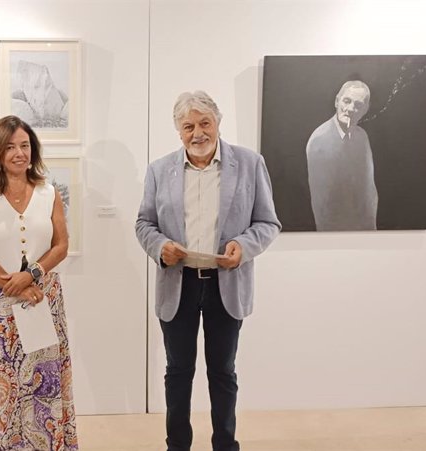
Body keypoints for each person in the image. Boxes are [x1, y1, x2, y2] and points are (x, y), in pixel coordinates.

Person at [136, 91, 281, 451]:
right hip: (178, 284)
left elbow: (268, 222)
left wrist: (243, 248)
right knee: (178, 373)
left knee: (223, 373)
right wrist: (159, 248)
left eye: (204, 123)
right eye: (188, 127)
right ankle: (178, 446)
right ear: (178, 131)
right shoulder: (159, 169)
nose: (197, 133)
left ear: (217, 123)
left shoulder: (249, 163)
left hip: (225, 285)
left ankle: (226, 445)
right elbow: (144, 223)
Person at [0, 115, 78, 450]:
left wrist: (32, 276)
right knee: (1, 381)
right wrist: (10, 283)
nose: (19, 153)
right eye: (10, 146)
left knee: (43, 383)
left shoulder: (48, 192)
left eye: (25, 145)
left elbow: (61, 245)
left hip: (43, 299)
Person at [306, 80, 378, 231]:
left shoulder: (362, 137)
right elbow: (321, 203)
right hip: (335, 231)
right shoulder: (319, 140)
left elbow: (369, 189)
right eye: (347, 101)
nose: (351, 109)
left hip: (364, 229)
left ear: (365, 109)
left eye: (358, 105)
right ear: (337, 101)